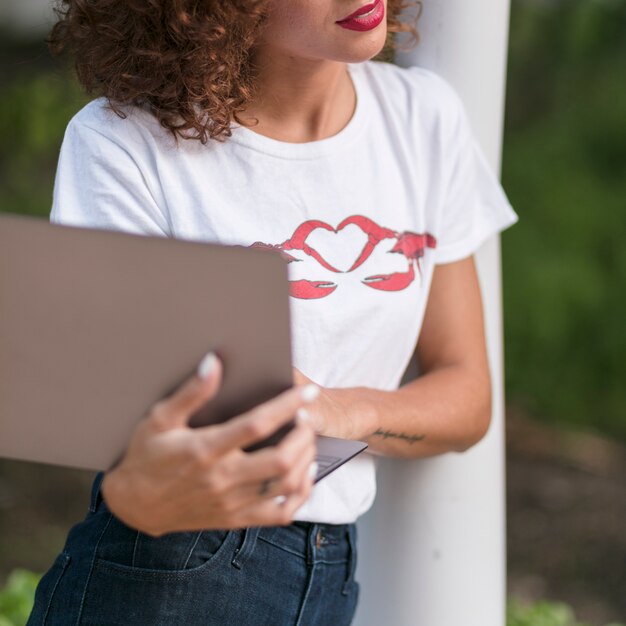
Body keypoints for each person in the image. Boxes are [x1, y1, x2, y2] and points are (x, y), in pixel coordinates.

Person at [27, 0, 518, 625]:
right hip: (172, 569)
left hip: (333, 571)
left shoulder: (424, 121)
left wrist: (339, 412)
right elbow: (127, 457)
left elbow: (468, 397)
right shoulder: (122, 143)